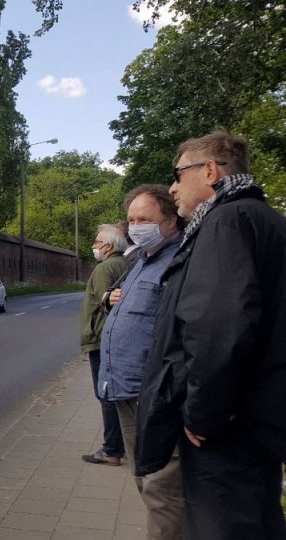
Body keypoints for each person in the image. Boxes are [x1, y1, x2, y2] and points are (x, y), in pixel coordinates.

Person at [136, 131, 286, 539]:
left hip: (224, 430)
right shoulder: (265, 219)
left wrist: (204, 413)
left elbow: (218, 325)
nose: (173, 187)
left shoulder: (226, 221)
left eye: (178, 174)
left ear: (210, 170)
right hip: (257, 417)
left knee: (223, 525)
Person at [99, 185, 184, 539]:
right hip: (125, 389)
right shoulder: (142, 259)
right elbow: (125, 303)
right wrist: (108, 299)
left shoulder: (179, 261)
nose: (135, 226)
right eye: (132, 219)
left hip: (153, 393)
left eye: (145, 219)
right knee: (144, 480)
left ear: (169, 220)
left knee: (163, 488)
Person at [80, 224, 130, 466]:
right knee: (118, 394)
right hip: (119, 339)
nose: (94, 246)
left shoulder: (103, 269)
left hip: (101, 338)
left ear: (108, 246)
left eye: (97, 242)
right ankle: (124, 444)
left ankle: (111, 450)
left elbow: (106, 303)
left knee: (106, 394)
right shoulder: (127, 264)